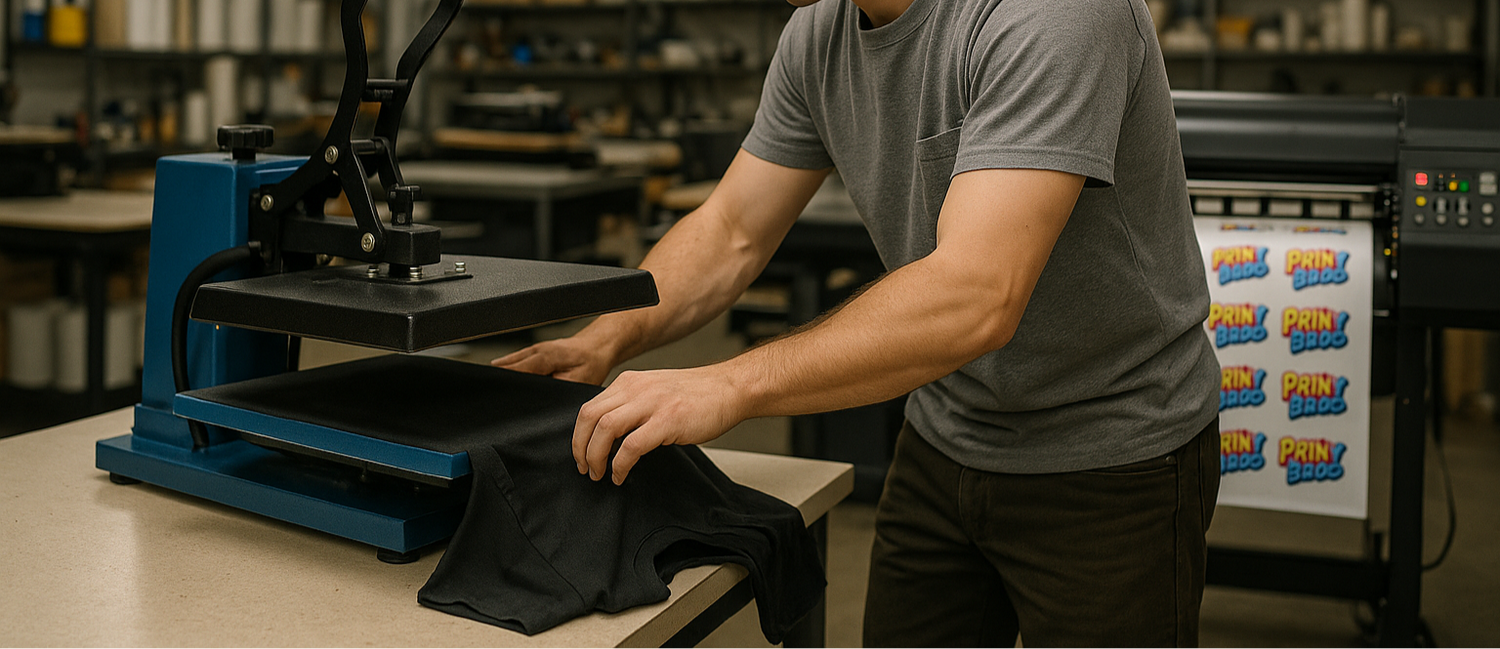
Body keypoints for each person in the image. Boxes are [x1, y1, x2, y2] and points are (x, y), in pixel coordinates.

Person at [493, 0, 1221, 646]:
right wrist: (604, 338)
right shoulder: (817, 34)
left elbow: (977, 293)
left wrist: (729, 383)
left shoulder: (1052, 13)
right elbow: (731, 229)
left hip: (1116, 452)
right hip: (947, 430)